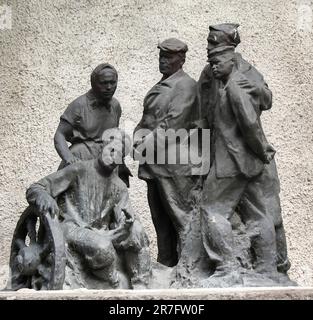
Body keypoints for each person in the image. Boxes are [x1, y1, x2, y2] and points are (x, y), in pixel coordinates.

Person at [198, 23, 290, 274]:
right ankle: (266, 269)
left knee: (212, 209)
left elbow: (256, 114)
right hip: (247, 157)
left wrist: (262, 150)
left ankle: (227, 268)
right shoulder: (212, 74)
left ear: (226, 49)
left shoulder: (241, 77)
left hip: (234, 157)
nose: (208, 49)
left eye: (212, 44)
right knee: (258, 213)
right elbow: (204, 113)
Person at [26, 128, 151, 289]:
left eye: (119, 155)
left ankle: (140, 285)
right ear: (102, 148)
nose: (113, 157)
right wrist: (44, 197)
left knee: (138, 231)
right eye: (111, 150)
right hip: (71, 228)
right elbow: (36, 188)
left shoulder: (119, 187)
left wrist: (128, 222)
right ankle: (114, 282)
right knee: (102, 247)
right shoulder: (79, 170)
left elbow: (125, 220)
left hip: (103, 232)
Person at [133, 38, 201, 267]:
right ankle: (166, 263)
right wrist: (136, 137)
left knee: (182, 217)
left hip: (175, 164)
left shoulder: (186, 85)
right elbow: (146, 120)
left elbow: (172, 124)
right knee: (160, 219)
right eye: (161, 56)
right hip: (154, 163)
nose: (163, 61)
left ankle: (189, 266)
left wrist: (142, 144)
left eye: (169, 57)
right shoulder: (161, 85)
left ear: (181, 60)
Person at [54, 63, 132, 187]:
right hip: (82, 158)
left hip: (106, 161)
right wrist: (69, 158)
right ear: (93, 83)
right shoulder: (79, 105)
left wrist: (120, 163)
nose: (109, 87)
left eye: (113, 82)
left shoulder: (115, 106)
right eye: (103, 83)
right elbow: (59, 135)